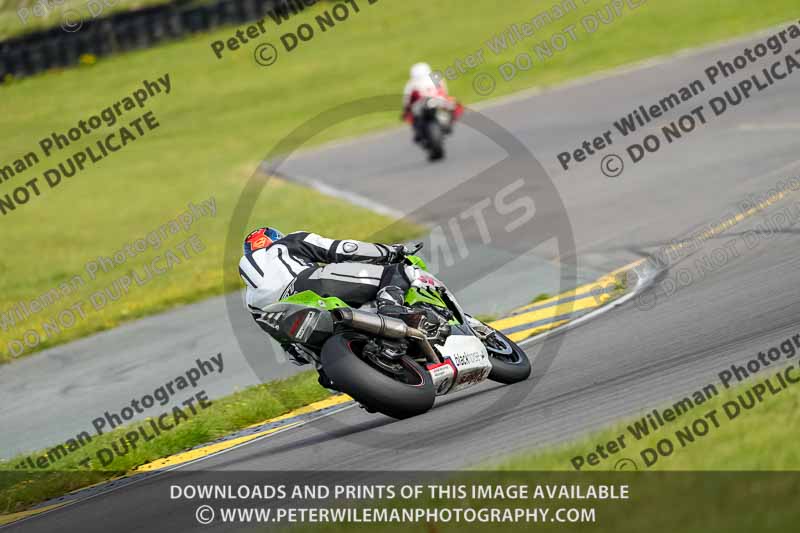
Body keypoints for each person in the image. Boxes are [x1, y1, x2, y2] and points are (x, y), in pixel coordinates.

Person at [238, 227, 445, 369]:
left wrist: (318, 365)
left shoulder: (250, 299)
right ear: (276, 237)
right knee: (396, 271)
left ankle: (331, 371)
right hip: (311, 283)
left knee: (322, 368)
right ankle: (391, 308)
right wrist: (390, 251)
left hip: (289, 319)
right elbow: (343, 249)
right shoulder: (288, 242)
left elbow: (289, 348)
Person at [402, 62, 461, 142]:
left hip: (425, 104)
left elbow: (406, 100)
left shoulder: (411, 83)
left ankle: (418, 132)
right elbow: (445, 92)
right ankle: (448, 123)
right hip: (436, 102)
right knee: (454, 105)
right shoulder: (437, 77)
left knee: (455, 106)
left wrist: (406, 109)